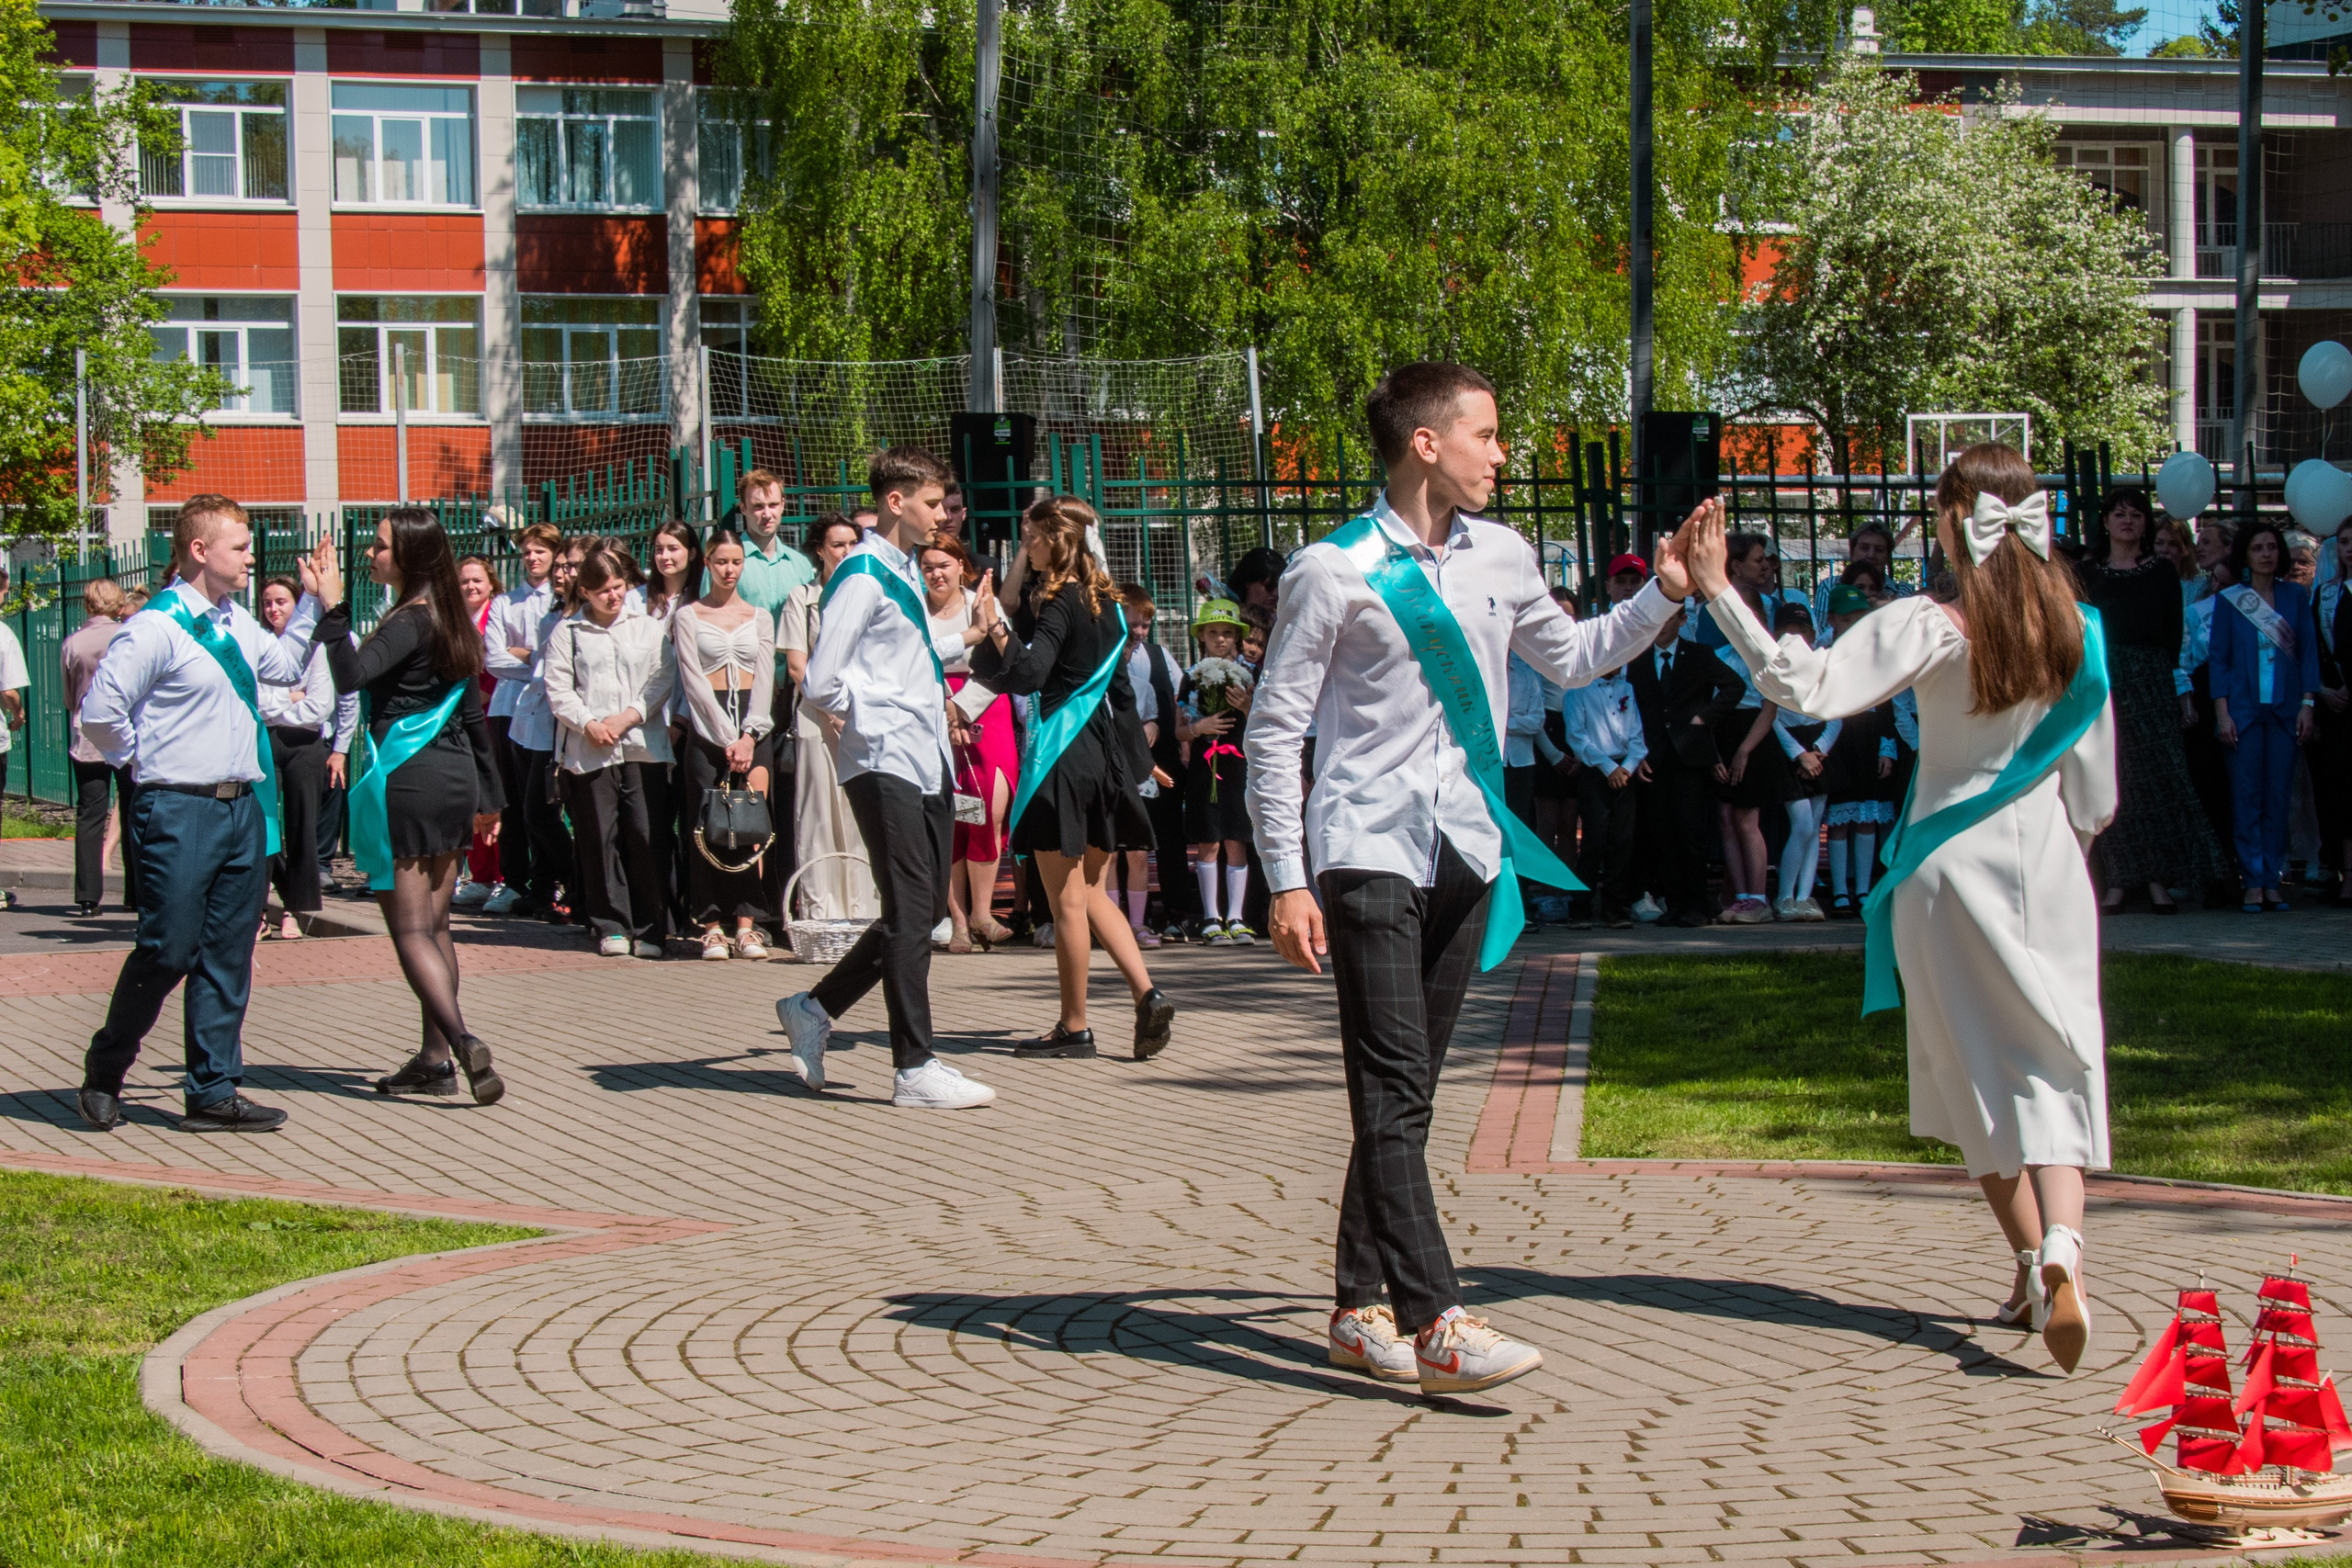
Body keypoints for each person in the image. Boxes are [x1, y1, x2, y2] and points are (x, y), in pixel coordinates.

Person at [1249, 361, 1700, 1396]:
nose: (1501, 454)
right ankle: (1436, 1320)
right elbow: (1274, 730)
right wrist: (1286, 878)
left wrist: (1663, 595)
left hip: (1465, 844)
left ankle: (1357, 1306)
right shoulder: (1335, 569)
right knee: (1394, 1086)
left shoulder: (1502, 555)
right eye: (1486, 435)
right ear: (1425, 444)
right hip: (1366, 847)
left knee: (1402, 1094)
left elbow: (1577, 658)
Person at [1687, 441, 2116, 1373]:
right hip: (2044, 866)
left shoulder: (1928, 623)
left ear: (1955, 524)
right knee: (2051, 1062)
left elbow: (1802, 685)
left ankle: (2023, 1260)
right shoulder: (2080, 633)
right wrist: (2063, 852)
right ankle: (2062, 1256)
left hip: (1942, 869)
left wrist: (1721, 590)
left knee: (1970, 1071)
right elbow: (2098, 798)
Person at [74, 495, 326, 1134]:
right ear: (198, 550)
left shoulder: (236, 620)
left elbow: (286, 663)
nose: (250, 558)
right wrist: (145, 765)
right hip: (179, 806)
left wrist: (317, 604)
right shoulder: (155, 627)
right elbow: (100, 714)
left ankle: (213, 1088)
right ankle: (106, 1068)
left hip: (241, 807)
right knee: (168, 948)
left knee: (227, 953)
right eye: (239, 547)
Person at [776, 447, 997, 1111]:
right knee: (909, 910)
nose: (943, 514)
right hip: (885, 758)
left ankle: (813, 1007)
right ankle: (915, 1066)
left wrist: (970, 637)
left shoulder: (896, 570)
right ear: (896, 502)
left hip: (919, 756)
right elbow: (822, 679)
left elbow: (908, 654)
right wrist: (864, 717)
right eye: (933, 503)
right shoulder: (864, 573)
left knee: (924, 911)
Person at [310, 509, 508, 1105]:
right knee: (438, 925)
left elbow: (349, 675)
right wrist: (490, 797)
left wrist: (330, 606)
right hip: (452, 781)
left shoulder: (409, 619)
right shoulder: (450, 615)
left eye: (380, 547)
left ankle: (461, 1041)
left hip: (408, 777)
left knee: (411, 929)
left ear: (412, 558)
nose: (371, 555)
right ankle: (432, 1058)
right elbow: (472, 713)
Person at [970, 495, 1175, 1061]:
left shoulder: (1059, 600)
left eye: (1031, 537)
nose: (1025, 546)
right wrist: (1138, 763)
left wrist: (994, 630)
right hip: (1101, 758)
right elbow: (1123, 695)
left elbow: (1031, 674)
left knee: (1065, 904)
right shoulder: (1108, 605)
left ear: (1054, 540)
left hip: (1060, 759)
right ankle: (1149, 993)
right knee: (1089, 892)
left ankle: (1074, 1026)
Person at [2074, 489, 2230, 914]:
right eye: (2119, 514)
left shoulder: (2161, 570)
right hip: (2104, 680)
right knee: (2113, 777)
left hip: (2151, 679)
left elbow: (2172, 631)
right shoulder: (2088, 573)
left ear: (2146, 523)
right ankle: (2120, 881)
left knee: (2159, 780)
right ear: (2105, 521)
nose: (2127, 521)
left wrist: (2160, 677)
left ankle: (2160, 881)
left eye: (2136, 514)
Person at [548, 546, 676, 959]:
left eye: (619, 587)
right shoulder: (568, 632)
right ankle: (610, 923)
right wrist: (589, 723)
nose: (613, 596)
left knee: (645, 834)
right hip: (590, 751)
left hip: (643, 746)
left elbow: (662, 677)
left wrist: (628, 717)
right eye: (602, 590)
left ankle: (652, 927)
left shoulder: (648, 627)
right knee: (599, 836)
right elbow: (558, 688)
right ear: (584, 591)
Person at [672, 527, 778, 961]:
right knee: (708, 826)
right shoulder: (688, 616)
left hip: (752, 725)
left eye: (736, 561)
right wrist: (724, 737)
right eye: (720, 561)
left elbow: (766, 680)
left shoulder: (760, 617)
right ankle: (711, 924)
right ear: (708, 563)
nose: (729, 569)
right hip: (709, 723)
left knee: (751, 827)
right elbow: (693, 682)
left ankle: (748, 924)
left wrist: (750, 735)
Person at [2210, 520, 2322, 911]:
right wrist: (2222, 712)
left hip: (2286, 711)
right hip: (2243, 713)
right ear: (2246, 555)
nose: (2266, 554)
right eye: (2258, 548)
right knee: (2247, 797)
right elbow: (2219, 660)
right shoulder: (2230, 600)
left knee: (2278, 798)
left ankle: (2271, 879)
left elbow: (2309, 653)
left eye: (2272, 547)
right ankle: (2252, 880)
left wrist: (2308, 703)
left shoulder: (2295, 597)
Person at [778, 514, 880, 926]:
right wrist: (834, 713)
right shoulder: (801, 599)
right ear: (819, 549)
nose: (846, 552)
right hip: (817, 720)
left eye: (852, 544)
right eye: (837, 545)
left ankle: (865, 913)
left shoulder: (865, 593)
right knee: (820, 814)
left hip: (862, 716)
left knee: (861, 815)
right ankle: (823, 915)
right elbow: (798, 668)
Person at [922, 533, 1014, 952]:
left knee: (987, 813)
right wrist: (947, 707)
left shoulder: (982, 603)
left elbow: (1006, 659)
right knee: (952, 817)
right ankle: (958, 920)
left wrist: (964, 707)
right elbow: (915, 662)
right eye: (928, 567)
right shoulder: (915, 608)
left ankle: (983, 911)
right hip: (934, 711)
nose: (936, 573)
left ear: (962, 565)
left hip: (987, 709)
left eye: (944, 564)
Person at [734, 469, 819, 921]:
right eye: (757, 506)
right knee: (752, 803)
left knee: (791, 803)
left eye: (773, 504)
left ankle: (788, 906)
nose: (766, 514)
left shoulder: (800, 565)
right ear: (743, 508)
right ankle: (754, 907)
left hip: (792, 693)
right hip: (750, 694)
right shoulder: (735, 560)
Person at [1627, 606, 1743, 929]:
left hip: (1689, 755)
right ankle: (1674, 904)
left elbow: (1734, 687)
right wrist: (1637, 755)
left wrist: (1706, 716)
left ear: (1681, 620)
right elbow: (1630, 707)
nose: (1662, 625)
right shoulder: (1637, 656)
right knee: (1662, 834)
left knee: (1691, 832)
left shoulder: (1699, 654)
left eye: (1669, 618)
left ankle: (1697, 904)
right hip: (1653, 757)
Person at [480, 522, 560, 915]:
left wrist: (526, 656)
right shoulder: (504, 602)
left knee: (541, 802)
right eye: (527, 551)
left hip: (543, 711)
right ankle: (512, 881)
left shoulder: (556, 602)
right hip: (506, 706)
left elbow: (554, 662)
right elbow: (491, 659)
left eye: (541, 551)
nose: (533, 558)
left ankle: (547, 882)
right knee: (508, 798)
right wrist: (536, 660)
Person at [255, 576, 338, 942]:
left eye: (282, 601)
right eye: (268, 602)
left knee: (302, 828)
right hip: (266, 742)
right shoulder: (258, 645)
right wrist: (290, 698)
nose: (274, 609)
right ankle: (259, 910)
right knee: (263, 828)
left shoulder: (315, 647)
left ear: (298, 605)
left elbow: (319, 707)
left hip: (306, 747)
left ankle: (294, 910)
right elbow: (254, 703)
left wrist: (276, 707)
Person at [1712, 533, 1785, 922]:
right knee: (1726, 815)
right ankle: (1740, 895)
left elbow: (1771, 703)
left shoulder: (1768, 640)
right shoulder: (1717, 637)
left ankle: (1757, 896)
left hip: (1752, 732)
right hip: (1724, 727)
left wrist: (1744, 749)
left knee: (1746, 817)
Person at [1815, 586, 1896, 919]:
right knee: (1839, 818)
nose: (1853, 626)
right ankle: (1839, 891)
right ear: (1832, 619)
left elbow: (1889, 702)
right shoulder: (1824, 652)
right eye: (1846, 619)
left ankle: (1862, 889)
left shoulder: (1877, 654)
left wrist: (1887, 747)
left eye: (1859, 619)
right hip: (1837, 740)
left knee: (1866, 817)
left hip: (1869, 738)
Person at [1179, 598, 1255, 945]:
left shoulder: (1250, 678)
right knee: (1208, 840)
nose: (1220, 640)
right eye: (1213, 633)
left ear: (1238, 638)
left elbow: (1268, 724)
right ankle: (1211, 917)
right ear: (1202, 637)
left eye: (1227, 633)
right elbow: (1179, 730)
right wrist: (1199, 727)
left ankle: (1236, 917)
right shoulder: (1191, 678)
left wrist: (1248, 706)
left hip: (1237, 765)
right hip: (1204, 766)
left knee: (1236, 838)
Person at [1120, 581, 1193, 940]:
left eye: (1144, 625)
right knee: (1123, 843)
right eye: (1131, 622)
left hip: (1159, 763)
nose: (1138, 631)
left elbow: (1181, 700)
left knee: (1166, 837)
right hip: (1119, 766)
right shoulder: (1103, 658)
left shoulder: (1161, 655)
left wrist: (1179, 732)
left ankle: (1177, 910)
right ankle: (1127, 915)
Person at [62, 578, 138, 919]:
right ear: (119, 605)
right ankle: (136, 892)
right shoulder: (128, 636)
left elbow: (69, 695)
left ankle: (88, 896)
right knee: (134, 810)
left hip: (87, 734)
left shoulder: (74, 643)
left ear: (88, 604)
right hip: (125, 732)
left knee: (90, 812)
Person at [1561, 655, 1645, 928]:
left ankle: (1616, 908)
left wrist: (1628, 767)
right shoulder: (1579, 689)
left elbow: (1636, 735)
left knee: (1622, 840)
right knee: (1594, 840)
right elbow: (1576, 736)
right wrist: (1608, 768)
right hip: (1596, 769)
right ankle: (1581, 907)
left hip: (1624, 770)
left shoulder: (1626, 688)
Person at [1767, 602, 1832, 921]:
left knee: (1814, 824)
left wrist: (1820, 747)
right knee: (1802, 824)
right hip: (1790, 751)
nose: (1795, 636)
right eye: (1787, 630)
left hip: (1819, 747)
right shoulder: (1771, 665)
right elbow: (1772, 717)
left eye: (1801, 630)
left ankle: (1805, 897)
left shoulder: (1822, 662)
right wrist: (1798, 753)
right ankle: (1784, 896)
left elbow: (1837, 710)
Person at [452, 556, 504, 907]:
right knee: (471, 799)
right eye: (464, 581)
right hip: (461, 718)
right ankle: (480, 874)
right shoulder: (455, 622)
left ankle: (501, 875)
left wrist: (478, 697)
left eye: (477, 580)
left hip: (488, 714)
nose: (471, 587)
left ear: (491, 584)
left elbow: (495, 666)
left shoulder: (496, 616)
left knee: (492, 798)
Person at [2313, 520, 2352, 906]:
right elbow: (2314, 650)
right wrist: (2324, 689)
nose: (2350, 548)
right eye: (2344, 542)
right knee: (2341, 792)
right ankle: (2347, 877)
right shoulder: (2327, 594)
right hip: (2337, 709)